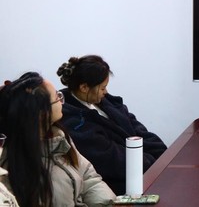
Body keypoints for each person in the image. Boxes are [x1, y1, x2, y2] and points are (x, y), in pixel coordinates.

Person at [0, 72, 115, 207]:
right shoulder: (13, 167)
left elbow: (89, 177)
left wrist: (109, 204)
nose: (61, 101)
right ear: (41, 112)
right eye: (57, 97)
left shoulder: (58, 137)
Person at [57, 55, 167, 195]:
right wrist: (154, 163)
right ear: (84, 87)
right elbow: (113, 159)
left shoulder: (105, 101)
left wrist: (164, 156)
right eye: (102, 88)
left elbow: (137, 130)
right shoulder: (75, 124)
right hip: (121, 184)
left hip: (143, 166)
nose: (106, 92)